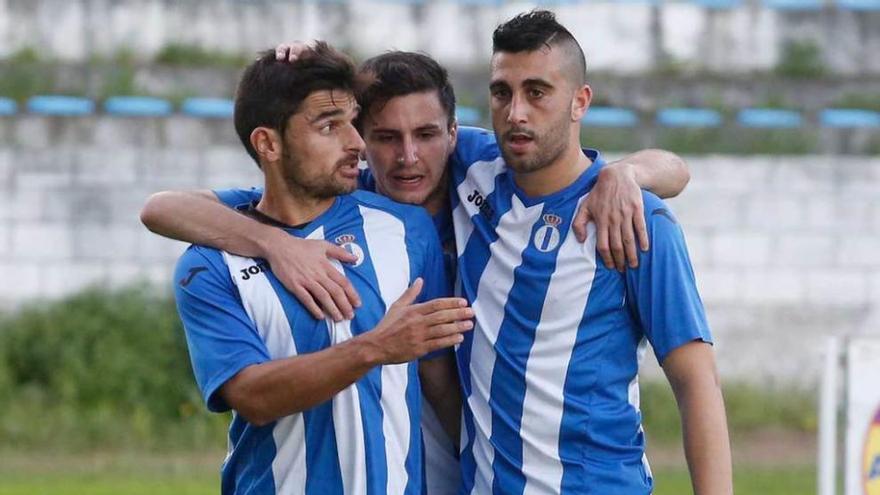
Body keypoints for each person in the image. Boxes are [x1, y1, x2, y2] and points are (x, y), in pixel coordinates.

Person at [141, 50, 691, 495]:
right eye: (381, 136)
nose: (408, 156)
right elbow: (162, 208)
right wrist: (273, 244)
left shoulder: (457, 190)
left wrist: (624, 172)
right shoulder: (266, 228)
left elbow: (672, 168)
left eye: (426, 135)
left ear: (453, 135)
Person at [445, 10, 732, 494]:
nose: (516, 112)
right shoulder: (468, 166)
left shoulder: (634, 218)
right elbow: (380, 130)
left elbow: (696, 382)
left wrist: (628, 173)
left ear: (580, 102)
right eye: (501, 92)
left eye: (537, 92)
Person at [171, 43, 474, 495]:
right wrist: (374, 347)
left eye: (353, 123)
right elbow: (254, 397)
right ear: (268, 143)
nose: (356, 143)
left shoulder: (405, 227)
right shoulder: (210, 265)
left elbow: (437, 378)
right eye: (330, 127)